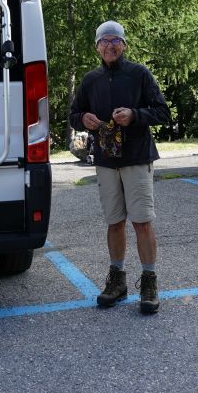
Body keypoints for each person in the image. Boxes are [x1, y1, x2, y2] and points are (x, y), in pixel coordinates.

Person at [68, 20, 171, 314]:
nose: (110, 46)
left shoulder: (139, 74)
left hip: (136, 157)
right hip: (105, 159)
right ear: (97, 47)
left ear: (124, 45)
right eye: (104, 41)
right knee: (114, 222)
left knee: (141, 221)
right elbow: (75, 115)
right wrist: (83, 119)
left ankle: (149, 282)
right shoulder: (91, 80)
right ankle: (117, 280)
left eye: (115, 40)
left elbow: (162, 111)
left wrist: (135, 115)